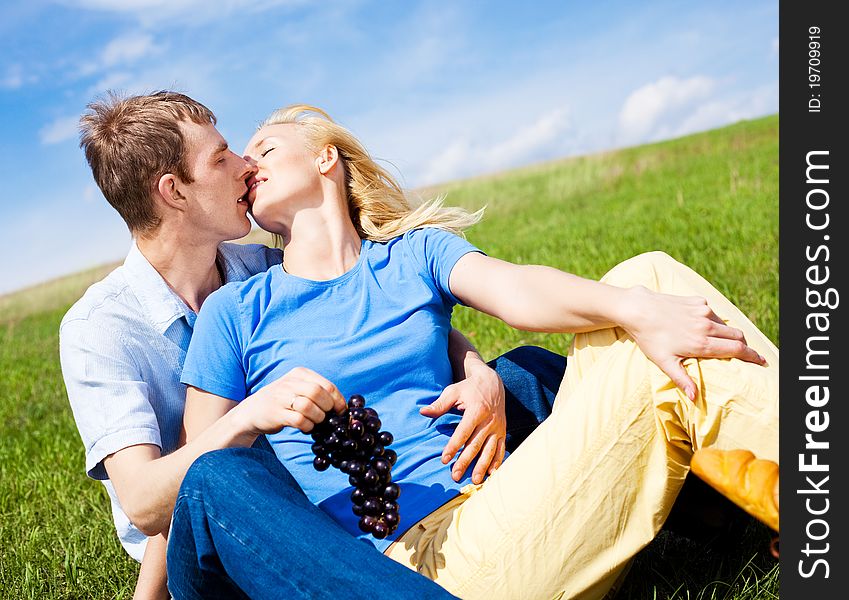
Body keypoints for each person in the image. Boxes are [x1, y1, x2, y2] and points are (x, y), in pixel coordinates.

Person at [177, 105, 779, 600]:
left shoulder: (412, 256)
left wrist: (629, 311)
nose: (247, 164)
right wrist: (252, 413)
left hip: (507, 505)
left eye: (266, 147)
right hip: (417, 566)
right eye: (241, 155)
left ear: (325, 157)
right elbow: (194, 483)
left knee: (646, 281)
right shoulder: (236, 311)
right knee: (644, 295)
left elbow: (517, 289)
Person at [59, 91, 564, 600]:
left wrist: (475, 369)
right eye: (221, 157)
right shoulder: (101, 330)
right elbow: (149, 506)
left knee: (527, 371)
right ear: (174, 192)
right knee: (223, 475)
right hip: (231, 533)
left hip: (321, 490)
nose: (244, 166)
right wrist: (248, 417)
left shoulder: (257, 270)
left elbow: (394, 319)